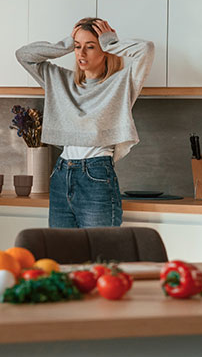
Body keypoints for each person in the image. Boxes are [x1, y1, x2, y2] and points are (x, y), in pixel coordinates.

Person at [16, 18, 154, 228]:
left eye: (90, 47)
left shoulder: (122, 82)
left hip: (96, 175)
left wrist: (110, 42)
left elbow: (146, 49)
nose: (81, 53)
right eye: (78, 47)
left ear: (105, 51)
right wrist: (66, 43)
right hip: (61, 174)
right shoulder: (59, 81)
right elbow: (23, 55)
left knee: (100, 253)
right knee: (62, 258)